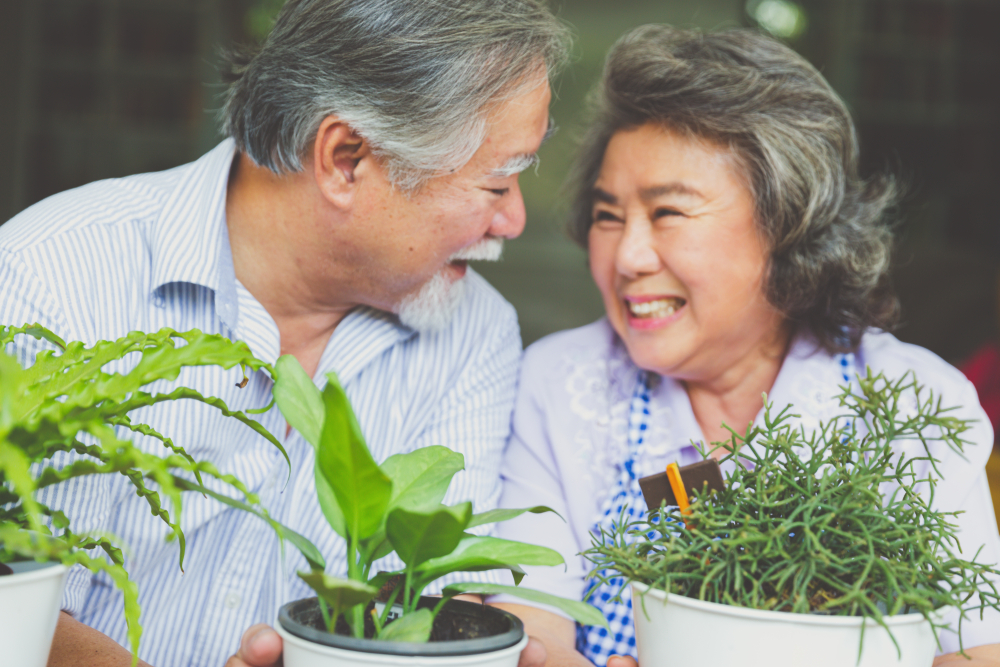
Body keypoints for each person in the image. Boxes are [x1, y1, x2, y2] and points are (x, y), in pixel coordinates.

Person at [0, 2, 569, 666]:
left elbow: (436, 599)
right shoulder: (48, 277)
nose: (514, 221)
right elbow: (17, 603)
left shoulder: (476, 330)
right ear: (345, 159)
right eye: (497, 183)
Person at [490, 25, 1000, 667]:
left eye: (668, 213)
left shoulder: (912, 404)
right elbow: (531, 628)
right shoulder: (560, 383)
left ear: (787, 227)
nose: (627, 256)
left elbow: (978, 649)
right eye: (608, 216)